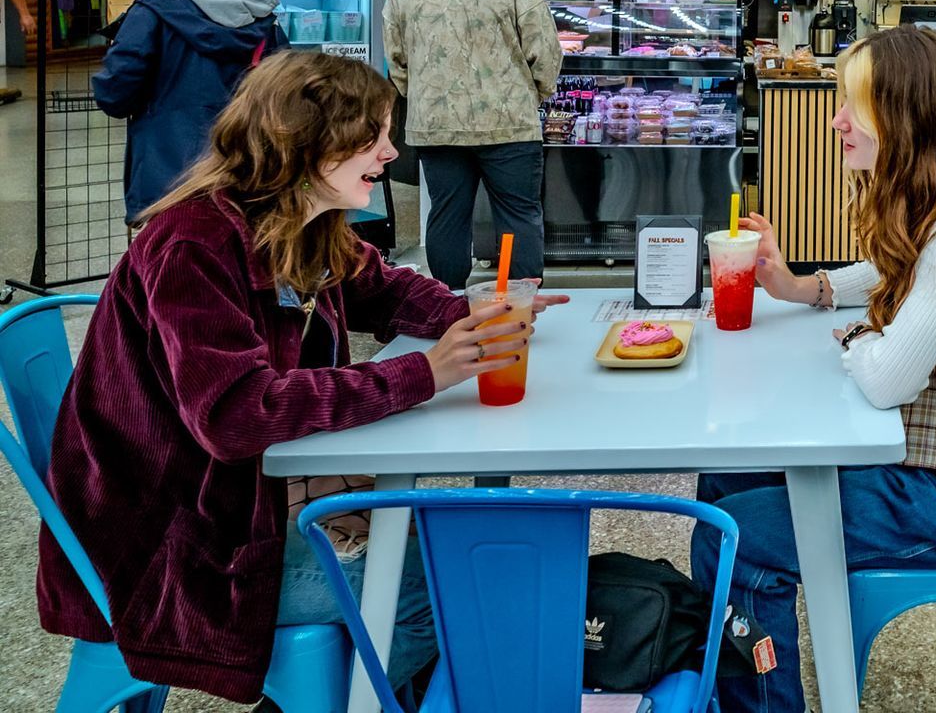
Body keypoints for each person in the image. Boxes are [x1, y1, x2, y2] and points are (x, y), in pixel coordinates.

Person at [37, 51, 566, 705]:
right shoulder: (192, 242)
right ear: (311, 146)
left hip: (245, 503)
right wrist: (423, 373)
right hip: (175, 547)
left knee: (474, 553)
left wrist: (471, 312)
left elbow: (383, 290)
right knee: (453, 588)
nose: (392, 152)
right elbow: (236, 415)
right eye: (373, 135)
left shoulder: (297, 224)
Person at [691, 26, 936, 713]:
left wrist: (853, 336)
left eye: (855, 105)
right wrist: (803, 288)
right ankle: (732, 677)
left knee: (730, 537)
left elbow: (886, 379)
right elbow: (888, 270)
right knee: (729, 471)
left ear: (909, 114)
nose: (836, 120)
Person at [385, 0, 561, 285]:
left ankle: (447, 311)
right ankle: (519, 312)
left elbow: (395, 57)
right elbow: (545, 50)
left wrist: (425, 97)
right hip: (509, 123)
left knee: (447, 216)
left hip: (436, 126)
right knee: (517, 216)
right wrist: (530, 94)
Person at [93, 0, 287, 217]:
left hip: (168, 173)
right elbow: (282, 98)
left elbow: (114, 95)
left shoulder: (151, 14)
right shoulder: (264, 17)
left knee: (174, 258)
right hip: (245, 170)